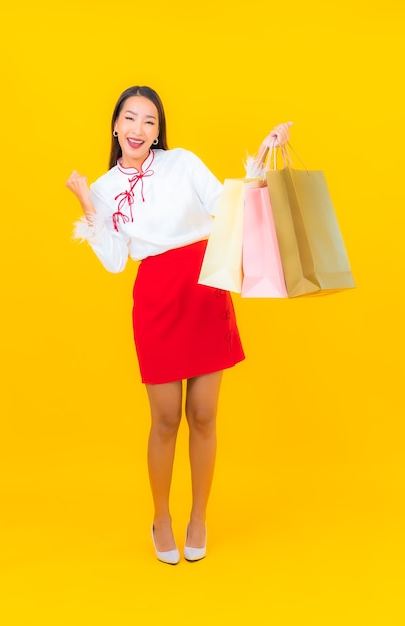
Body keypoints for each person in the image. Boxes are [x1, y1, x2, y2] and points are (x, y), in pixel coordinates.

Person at [66, 85, 291, 565]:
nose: (138, 129)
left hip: (205, 286)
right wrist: (85, 198)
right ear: (115, 125)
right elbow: (111, 260)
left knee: (204, 414)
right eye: (130, 118)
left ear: (157, 130)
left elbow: (228, 204)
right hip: (157, 297)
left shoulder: (182, 162)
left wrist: (265, 152)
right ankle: (162, 518)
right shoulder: (105, 189)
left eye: (149, 121)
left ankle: (198, 518)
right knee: (166, 418)